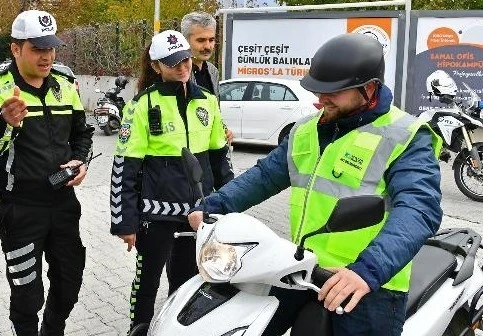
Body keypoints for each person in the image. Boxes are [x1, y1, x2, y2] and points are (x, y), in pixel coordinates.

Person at [188, 33, 443, 336]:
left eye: (332, 92)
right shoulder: (307, 129)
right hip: (301, 269)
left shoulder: (405, 135)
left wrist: (367, 271)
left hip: (368, 284)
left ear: (369, 88)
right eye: (318, 90)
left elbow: (418, 208)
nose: (320, 100)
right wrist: (213, 207)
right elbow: (265, 176)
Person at [110, 29, 234, 333]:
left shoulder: (207, 101)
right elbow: (123, 169)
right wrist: (125, 222)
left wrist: (232, 205)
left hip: (198, 215)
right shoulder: (141, 105)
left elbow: (220, 161)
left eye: (185, 59)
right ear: (156, 66)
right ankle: (139, 329)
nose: (182, 67)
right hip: (156, 216)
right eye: (173, 62)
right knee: (147, 281)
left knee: (188, 281)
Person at [0, 10, 94, 336]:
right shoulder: (1, 86)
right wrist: (5, 123)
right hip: (20, 208)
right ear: (15, 49)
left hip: (64, 203)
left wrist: (79, 162)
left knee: (70, 281)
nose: (47, 56)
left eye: (51, 47)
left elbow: (83, 134)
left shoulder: (65, 84)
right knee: (27, 293)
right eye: (38, 48)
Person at [181, 11, 233, 143]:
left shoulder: (212, 71)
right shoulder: (176, 72)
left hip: (209, 150)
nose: (208, 46)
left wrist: (223, 129)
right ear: (185, 40)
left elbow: (215, 110)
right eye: (201, 40)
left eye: (211, 40)